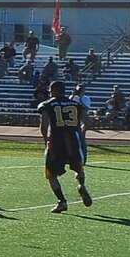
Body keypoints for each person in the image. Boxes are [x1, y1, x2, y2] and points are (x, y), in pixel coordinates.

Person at [36, 79, 93, 213]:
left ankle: (62, 201)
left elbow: (44, 125)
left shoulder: (47, 104)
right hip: (73, 138)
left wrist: (46, 140)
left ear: (54, 90)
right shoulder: (76, 104)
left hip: (56, 139)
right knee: (78, 167)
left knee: (51, 174)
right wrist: (81, 133)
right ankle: (81, 184)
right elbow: (88, 123)